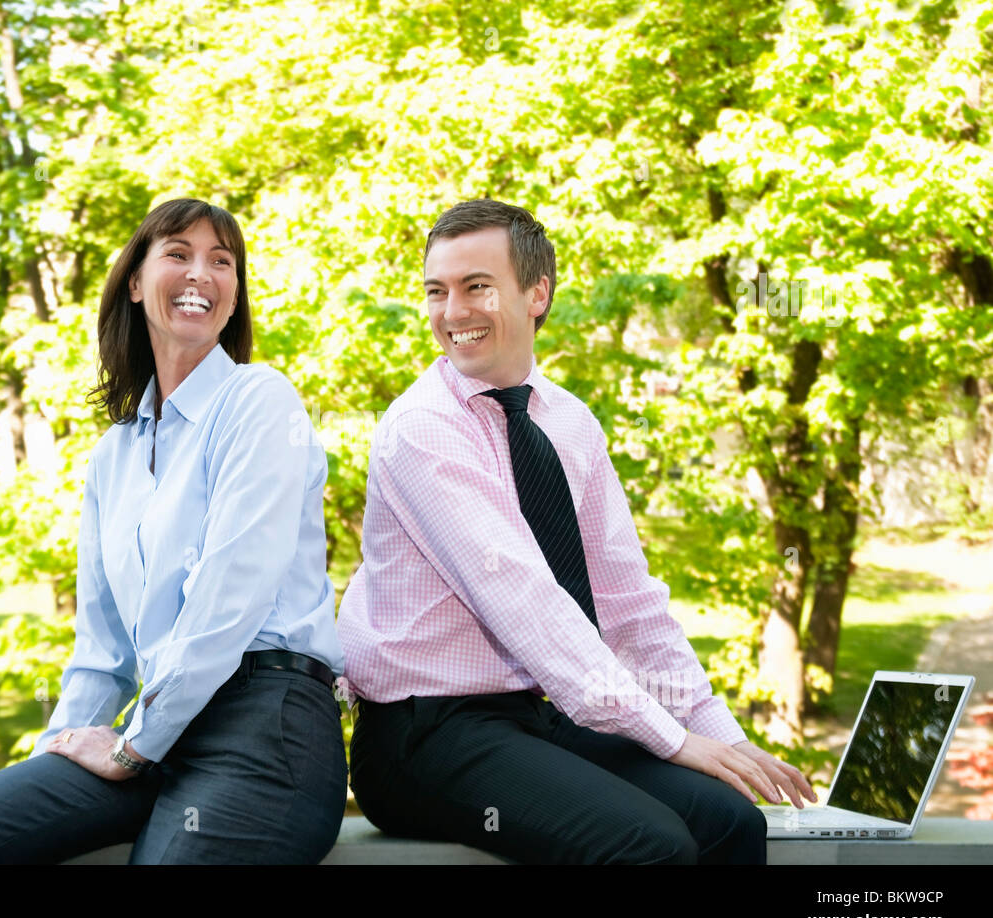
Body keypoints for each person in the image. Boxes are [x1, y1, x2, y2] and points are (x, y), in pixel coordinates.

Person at [336, 198, 816, 864]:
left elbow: (630, 607)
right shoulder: (422, 430)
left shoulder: (569, 423)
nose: (452, 313)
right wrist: (670, 739)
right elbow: (528, 603)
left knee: (732, 819)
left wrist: (720, 737)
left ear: (538, 293)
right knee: (650, 846)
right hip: (423, 734)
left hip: (532, 717)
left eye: (477, 286)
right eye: (436, 292)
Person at [0, 198, 347, 865]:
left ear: (236, 292)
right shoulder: (114, 454)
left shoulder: (259, 399)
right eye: (178, 253)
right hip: (156, 734)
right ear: (134, 281)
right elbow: (101, 655)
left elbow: (231, 598)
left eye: (222, 261)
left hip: (264, 726)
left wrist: (135, 743)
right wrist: (30, 774)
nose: (201, 274)